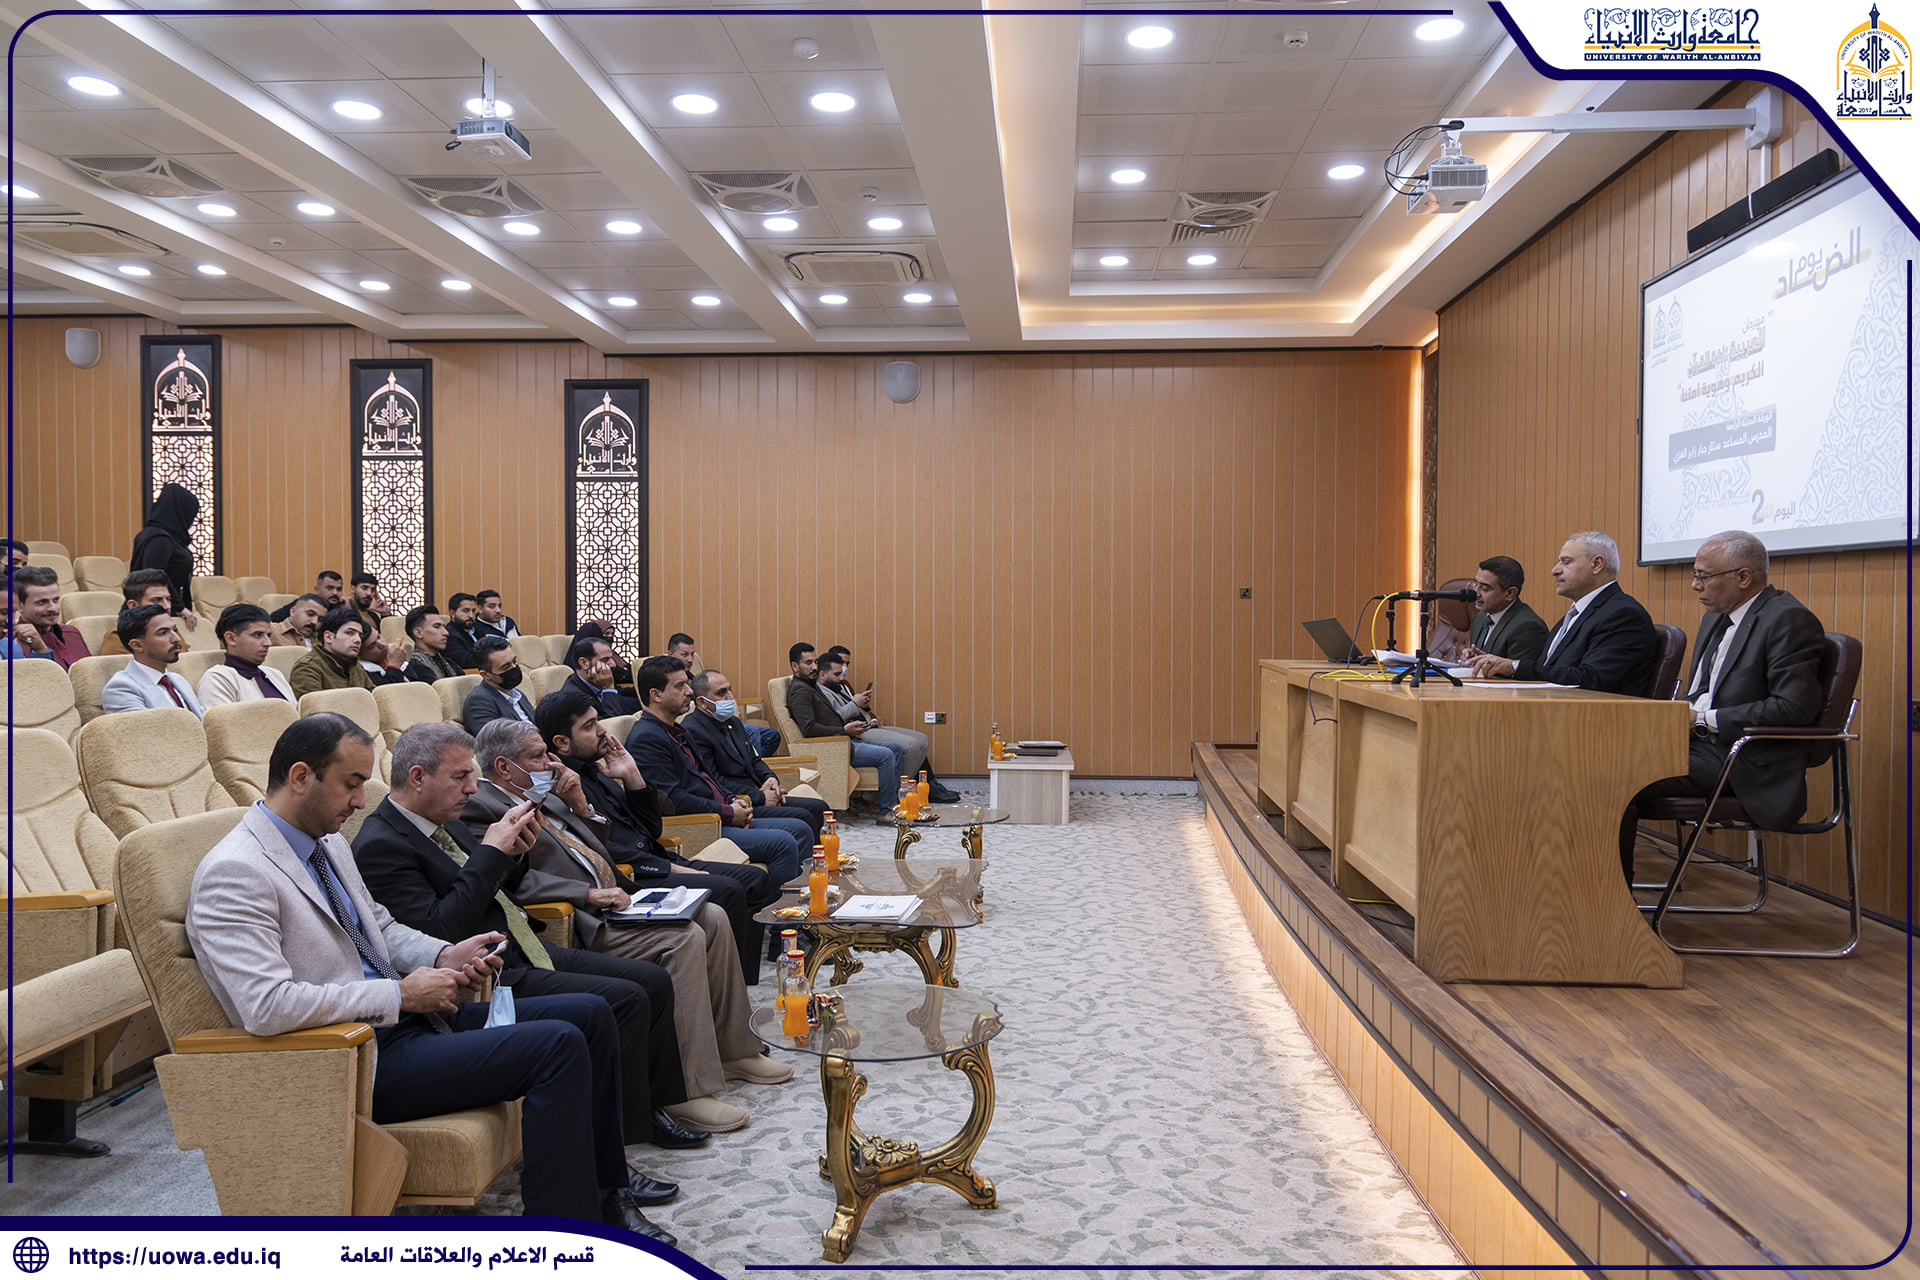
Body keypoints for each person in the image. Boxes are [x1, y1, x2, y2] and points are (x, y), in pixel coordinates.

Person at [184, 714, 667, 1235]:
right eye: (350, 784)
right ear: (301, 777)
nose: (360, 801)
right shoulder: (235, 871)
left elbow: (381, 928)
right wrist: (398, 994)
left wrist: (443, 955)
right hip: (352, 1058)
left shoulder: (327, 844)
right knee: (557, 1044)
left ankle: (607, 1193)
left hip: (404, 1024)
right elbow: (266, 1006)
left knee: (591, 1014)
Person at [351, 721, 712, 1170]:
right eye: (460, 777)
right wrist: (491, 854)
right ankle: (617, 1140)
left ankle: (650, 1109)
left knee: (652, 982)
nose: (471, 788)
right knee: (620, 1000)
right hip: (487, 973)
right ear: (419, 777)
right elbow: (443, 927)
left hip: (526, 947)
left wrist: (516, 851)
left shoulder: (444, 819)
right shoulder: (381, 844)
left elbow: (504, 887)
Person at [465, 718, 787, 1134]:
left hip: (619, 899)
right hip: (578, 919)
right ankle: (688, 1089)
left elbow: (601, 846)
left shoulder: (546, 794)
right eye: (538, 756)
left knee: (713, 915)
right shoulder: (483, 808)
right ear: (504, 767)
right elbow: (512, 882)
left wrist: (581, 805)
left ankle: (735, 1049)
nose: (551, 762)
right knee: (683, 938)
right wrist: (586, 894)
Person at [1618, 530, 1825, 881]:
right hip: (1698, 745)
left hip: (1741, 759)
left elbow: (1793, 709)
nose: (1695, 586)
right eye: (1694, 575)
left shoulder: (1787, 620)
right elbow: (1702, 692)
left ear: (1743, 577)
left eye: (1703, 576)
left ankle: (1610, 899)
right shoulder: (1716, 616)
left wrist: (1703, 720)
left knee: (1613, 777)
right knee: (1591, 759)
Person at [537, 687, 777, 982]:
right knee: (729, 888)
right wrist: (670, 868)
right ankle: (729, 982)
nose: (602, 731)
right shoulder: (562, 787)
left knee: (754, 879)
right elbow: (604, 850)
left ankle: (740, 980)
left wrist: (632, 776)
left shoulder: (597, 770)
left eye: (598, 721)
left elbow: (651, 829)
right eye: (589, 726)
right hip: (633, 876)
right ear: (561, 742)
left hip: (657, 859)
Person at [627, 657, 809, 888]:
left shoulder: (677, 731)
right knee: (784, 842)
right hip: (698, 824)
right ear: (656, 695)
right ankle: (781, 909)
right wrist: (727, 812)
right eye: (680, 686)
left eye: (687, 684)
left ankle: (807, 898)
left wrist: (732, 800)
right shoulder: (646, 738)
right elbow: (673, 800)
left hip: (718, 813)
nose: (689, 691)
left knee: (800, 827)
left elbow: (709, 777)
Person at [1468, 532, 1656, 695]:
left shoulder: (1623, 615)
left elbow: (1592, 679)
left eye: (1567, 562)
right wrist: (1498, 666)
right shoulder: (1576, 615)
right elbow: (1547, 671)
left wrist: (1515, 667)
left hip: (1595, 719)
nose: (1555, 570)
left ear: (1597, 564)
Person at [684, 668, 827, 838]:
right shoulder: (693, 730)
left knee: (820, 808)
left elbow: (754, 759)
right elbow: (714, 781)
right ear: (702, 701)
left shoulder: (733, 722)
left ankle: (822, 854)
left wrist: (770, 779)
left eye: (730, 689)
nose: (730, 697)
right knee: (803, 817)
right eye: (721, 693)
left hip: (758, 792)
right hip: (740, 802)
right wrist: (761, 797)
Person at [820, 647, 958, 802]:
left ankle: (918, 786)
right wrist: (855, 703)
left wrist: (867, 711)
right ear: (824, 672)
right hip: (857, 730)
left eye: (846, 664)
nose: (843, 671)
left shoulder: (841, 685)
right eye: (839, 669)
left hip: (868, 723)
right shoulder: (823, 691)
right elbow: (836, 718)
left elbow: (854, 708)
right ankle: (901, 792)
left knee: (922, 740)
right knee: (911, 746)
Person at [786, 643, 902, 813]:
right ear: (795, 666)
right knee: (886, 755)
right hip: (833, 746)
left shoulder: (811, 685)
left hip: (843, 739)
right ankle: (887, 810)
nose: (814, 667)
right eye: (808, 663)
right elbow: (809, 728)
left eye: (815, 662)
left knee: (896, 748)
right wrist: (844, 730)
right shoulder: (800, 691)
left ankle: (896, 803)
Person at [668, 632, 779, 756]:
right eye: (684, 655)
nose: (690, 659)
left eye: (692, 654)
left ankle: (749, 761)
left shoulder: (693, 677)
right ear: (670, 655)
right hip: (702, 723)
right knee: (751, 731)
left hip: (720, 719)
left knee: (771, 735)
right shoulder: (666, 681)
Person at [99, 603, 203, 715]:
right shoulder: (121, 688)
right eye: (163, 633)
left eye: (174, 629)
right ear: (137, 645)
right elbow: (148, 726)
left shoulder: (178, 679)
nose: (177, 639)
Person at [197, 603, 296, 706]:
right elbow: (222, 717)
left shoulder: (275, 674)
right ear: (231, 638)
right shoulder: (217, 679)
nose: (268, 643)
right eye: (257, 635)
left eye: (268, 635)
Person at [1457, 556, 1550, 664]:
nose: (1476, 593)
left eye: (1485, 588)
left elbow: (1520, 673)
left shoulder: (1528, 628)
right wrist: (1471, 658)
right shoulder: (1481, 616)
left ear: (1510, 593)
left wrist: (1487, 664)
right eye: (1476, 584)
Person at [129, 482, 198, 619]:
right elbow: (154, 576)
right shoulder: (159, 538)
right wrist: (180, 608)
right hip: (152, 615)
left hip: (163, 611)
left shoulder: (165, 537)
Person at [6, 564, 90, 667]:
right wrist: (40, 650)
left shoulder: (72, 633)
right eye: (42, 602)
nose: (53, 608)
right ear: (19, 605)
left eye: (56, 600)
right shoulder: (9, 643)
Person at [98, 569, 198, 654]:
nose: (167, 606)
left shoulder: (172, 631)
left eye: (168, 599)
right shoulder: (117, 640)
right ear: (133, 605)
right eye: (157, 600)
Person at [290, 607, 376, 697]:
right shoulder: (307, 668)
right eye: (349, 633)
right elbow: (314, 704)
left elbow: (374, 698)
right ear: (328, 637)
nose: (358, 640)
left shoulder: (355, 666)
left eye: (360, 636)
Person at [464, 636, 536, 735]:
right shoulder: (478, 701)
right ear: (485, 675)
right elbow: (495, 740)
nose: (514, 668)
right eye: (506, 667)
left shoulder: (518, 694)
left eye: (514, 662)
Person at [563, 634, 639, 717]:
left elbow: (622, 693)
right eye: (605, 660)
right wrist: (608, 688)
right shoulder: (573, 698)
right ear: (584, 663)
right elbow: (613, 722)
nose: (613, 664)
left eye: (612, 658)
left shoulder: (597, 680)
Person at [404, 605, 465, 683]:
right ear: (418, 633)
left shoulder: (449, 663)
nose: (446, 633)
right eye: (437, 626)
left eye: (444, 627)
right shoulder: (414, 666)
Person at [270, 572, 344, 622]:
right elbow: (274, 618)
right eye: (330, 588)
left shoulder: (343, 607)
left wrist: (347, 608)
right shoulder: (307, 602)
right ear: (317, 590)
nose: (335, 593)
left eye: (339, 589)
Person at [446, 593, 484, 669]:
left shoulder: (477, 629)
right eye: (466, 611)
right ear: (452, 613)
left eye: (473, 611)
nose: (471, 615)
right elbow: (465, 661)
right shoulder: (449, 635)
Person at [348, 572, 383, 638]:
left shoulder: (373, 616)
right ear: (353, 589)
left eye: (372, 590)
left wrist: (385, 614)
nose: (369, 593)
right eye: (364, 588)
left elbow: (386, 636)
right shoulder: (344, 610)